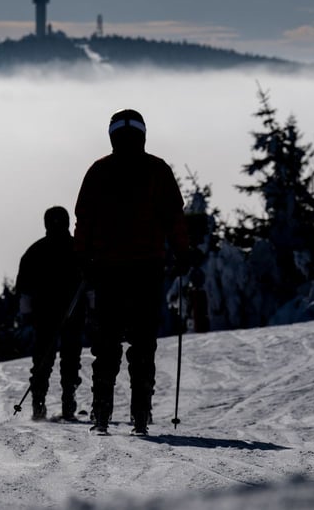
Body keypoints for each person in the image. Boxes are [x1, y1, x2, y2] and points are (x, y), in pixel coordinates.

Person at [73, 109, 188, 436]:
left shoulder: (99, 171)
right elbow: (174, 217)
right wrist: (182, 253)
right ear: (142, 135)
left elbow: (84, 219)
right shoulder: (157, 170)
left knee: (106, 343)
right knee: (142, 342)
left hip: (107, 270)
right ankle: (140, 414)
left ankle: (102, 414)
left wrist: (82, 258)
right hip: (147, 269)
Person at [16, 206, 84, 421]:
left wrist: (26, 315)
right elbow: (91, 282)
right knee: (69, 357)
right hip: (70, 312)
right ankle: (66, 399)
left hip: (46, 314)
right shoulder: (78, 248)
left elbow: (24, 289)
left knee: (44, 359)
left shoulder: (35, 251)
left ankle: (41, 401)